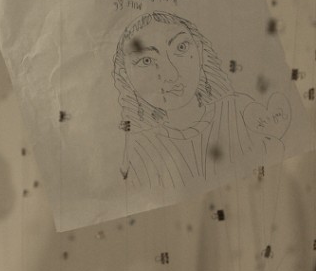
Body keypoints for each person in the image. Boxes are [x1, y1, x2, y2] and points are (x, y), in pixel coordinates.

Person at [112, 10, 279, 189]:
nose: (171, 74)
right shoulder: (141, 149)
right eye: (146, 61)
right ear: (126, 75)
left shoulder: (239, 112)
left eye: (181, 48)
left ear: (199, 51)